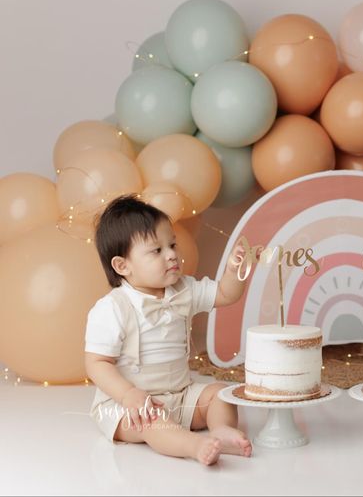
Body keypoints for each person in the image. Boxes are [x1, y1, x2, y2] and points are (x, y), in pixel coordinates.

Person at [85, 194, 250, 465]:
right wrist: (128, 394)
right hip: (127, 407)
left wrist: (235, 271)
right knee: (152, 423)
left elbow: (224, 294)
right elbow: (96, 363)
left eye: (172, 244)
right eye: (157, 250)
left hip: (180, 396)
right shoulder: (112, 308)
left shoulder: (184, 289)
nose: (172, 254)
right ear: (122, 265)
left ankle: (220, 430)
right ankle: (193, 445)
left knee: (221, 395)